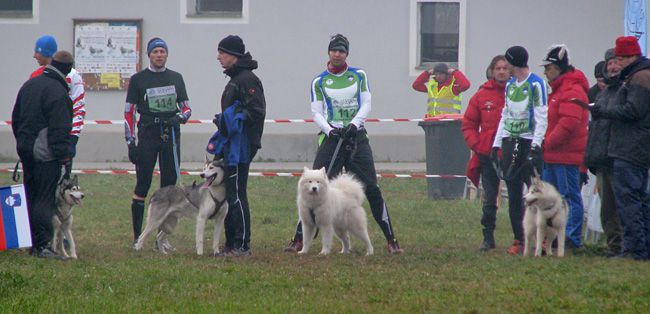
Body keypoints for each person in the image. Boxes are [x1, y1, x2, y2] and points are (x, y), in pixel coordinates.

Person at [284, 34, 403, 254]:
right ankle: (299, 239)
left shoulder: (358, 75)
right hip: (331, 139)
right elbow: (316, 112)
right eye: (333, 50)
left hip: (356, 137)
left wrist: (355, 124)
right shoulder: (319, 81)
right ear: (328, 52)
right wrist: (331, 130)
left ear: (347, 53)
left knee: (372, 188)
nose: (337, 54)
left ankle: (391, 239)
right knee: (314, 186)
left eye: (341, 50)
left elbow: (366, 103)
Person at [124, 37, 191, 244]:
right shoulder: (138, 80)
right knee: (142, 184)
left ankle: (162, 239)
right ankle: (138, 237)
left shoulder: (176, 78)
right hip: (147, 134)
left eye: (162, 51)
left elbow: (187, 109)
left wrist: (177, 118)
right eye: (155, 52)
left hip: (170, 135)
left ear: (167, 54)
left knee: (169, 188)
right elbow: (129, 112)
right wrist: (130, 142)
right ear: (149, 55)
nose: (159, 55)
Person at [589, 36, 650, 260]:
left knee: (629, 201)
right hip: (634, 148)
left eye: (621, 58)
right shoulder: (639, 75)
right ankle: (641, 248)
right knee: (639, 200)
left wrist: (604, 111)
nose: (618, 63)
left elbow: (633, 111)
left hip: (630, 148)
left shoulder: (639, 78)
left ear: (632, 56)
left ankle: (634, 250)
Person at [12, 50, 75, 259]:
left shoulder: (29, 85)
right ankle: (43, 245)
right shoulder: (58, 92)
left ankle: (30, 242)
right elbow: (60, 129)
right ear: (67, 70)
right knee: (44, 198)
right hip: (46, 155)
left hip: (26, 150)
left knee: (30, 194)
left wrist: (22, 143)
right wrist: (63, 156)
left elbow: (16, 117)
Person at [212, 35, 266, 257]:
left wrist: (233, 118)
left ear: (234, 55)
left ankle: (242, 245)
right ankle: (230, 244)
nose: (219, 57)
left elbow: (256, 111)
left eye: (222, 53)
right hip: (231, 144)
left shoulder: (247, 79)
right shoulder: (235, 79)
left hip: (241, 146)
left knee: (236, 193)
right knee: (229, 193)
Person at [491, 46, 547, 255]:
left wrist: (536, 145)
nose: (506, 68)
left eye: (508, 64)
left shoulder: (536, 84)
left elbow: (542, 117)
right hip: (510, 141)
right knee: (513, 195)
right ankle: (519, 239)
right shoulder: (510, 86)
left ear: (515, 64)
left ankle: (543, 240)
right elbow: (505, 115)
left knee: (536, 192)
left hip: (528, 142)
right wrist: (497, 144)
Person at [540, 44, 590, 250]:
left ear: (560, 68)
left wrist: (547, 142)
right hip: (552, 155)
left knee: (569, 197)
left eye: (549, 68)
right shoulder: (558, 90)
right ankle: (553, 238)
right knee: (552, 199)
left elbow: (568, 124)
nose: (545, 72)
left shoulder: (572, 90)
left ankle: (571, 238)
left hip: (566, 156)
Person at [461, 55, 510, 252]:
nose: (501, 71)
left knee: (517, 195)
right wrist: (477, 144)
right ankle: (488, 237)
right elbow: (469, 124)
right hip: (487, 153)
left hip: (512, 152)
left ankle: (520, 238)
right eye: (498, 68)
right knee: (490, 196)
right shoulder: (481, 95)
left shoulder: (517, 92)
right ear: (492, 70)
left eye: (505, 68)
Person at [584, 48, 624, 257]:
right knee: (607, 207)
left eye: (617, 62)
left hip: (621, 155)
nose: (613, 66)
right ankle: (614, 245)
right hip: (602, 156)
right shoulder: (604, 93)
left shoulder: (628, 89)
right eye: (610, 63)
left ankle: (627, 246)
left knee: (622, 204)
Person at [30, 35, 86, 162]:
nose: (34, 56)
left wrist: (73, 138)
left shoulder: (72, 76)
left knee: (60, 179)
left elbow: (78, 107)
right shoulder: (36, 75)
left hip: (62, 138)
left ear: (46, 53)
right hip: (38, 140)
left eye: (37, 52)